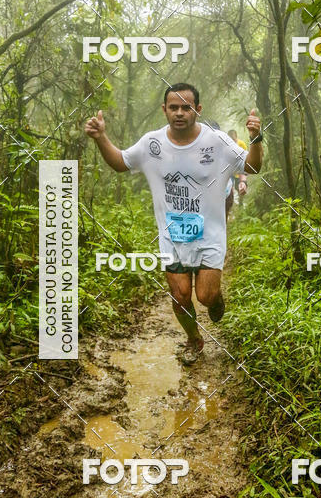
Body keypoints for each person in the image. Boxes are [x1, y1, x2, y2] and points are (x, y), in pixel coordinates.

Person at [84, 84, 263, 364]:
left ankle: (216, 298)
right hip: (172, 235)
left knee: (205, 296)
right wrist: (101, 138)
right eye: (174, 107)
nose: (180, 113)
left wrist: (256, 138)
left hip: (210, 236)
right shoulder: (151, 144)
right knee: (180, 296)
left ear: (198, 110)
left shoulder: (217, 142)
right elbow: (120, 162)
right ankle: (193, 339)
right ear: (164, 110)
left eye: (186, 107)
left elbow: (251, 167)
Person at [228, 129, 248, 208]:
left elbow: (245, 158)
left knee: (240, 187)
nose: (233, 141)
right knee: (230, 189)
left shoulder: (241, 144)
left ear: (236, 137)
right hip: (230, 172)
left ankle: (241, 202)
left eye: (234, 139)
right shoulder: (227, 145)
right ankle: (230, 205)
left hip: (239, 172)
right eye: (231, 139)